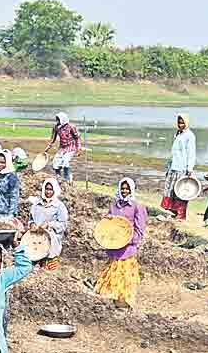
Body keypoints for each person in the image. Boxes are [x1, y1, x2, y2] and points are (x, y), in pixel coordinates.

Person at [94, 177, 147, 309]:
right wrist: (107, 220)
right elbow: (109, 223)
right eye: (122, 188)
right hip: (114, 247)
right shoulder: (114, 205)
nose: (124, 191)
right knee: (112, 275)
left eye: (127, 189)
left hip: (127, 250)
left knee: (125, 277)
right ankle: (114, 302)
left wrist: (129, 241)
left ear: (131, 190)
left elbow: (140, 230)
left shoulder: (137, 206)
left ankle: (125, 303)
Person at [27, 178, 70, 271]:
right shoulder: (36, 204)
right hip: (36, 236)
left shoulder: (59, 206)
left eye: (51, 189)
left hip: (51, 237)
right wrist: (31, 224)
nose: (48, 192)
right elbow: (30, 219)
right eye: (46, 189)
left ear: (55, 190)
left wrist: (49, 225)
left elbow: (63, 224)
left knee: (49, 268)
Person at [161, 113, 196, 220]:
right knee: (170, 190)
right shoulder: (178, 134)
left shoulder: (189, 136)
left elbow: (191, 153)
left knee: (181, 192)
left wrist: (189, 168)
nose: (180, 125)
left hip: (182, 169)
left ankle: (181, 214)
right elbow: (174, 152)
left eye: (182, 122)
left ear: (186, 123)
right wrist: (169, 166)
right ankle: (174, 211)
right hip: (174, 167)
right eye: (179, 122)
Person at [43, 112, 82, 184]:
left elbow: (77, 138)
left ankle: (67, 179)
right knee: (55, 163)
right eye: (57, 119)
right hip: (62, 147)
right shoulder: (56, 127)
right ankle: (59, 177)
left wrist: (79, 148)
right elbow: (52, 139)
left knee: (65, 162)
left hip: (71, 147)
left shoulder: (71, 127)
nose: (57, 121)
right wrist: (47, 148)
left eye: (58, 119)